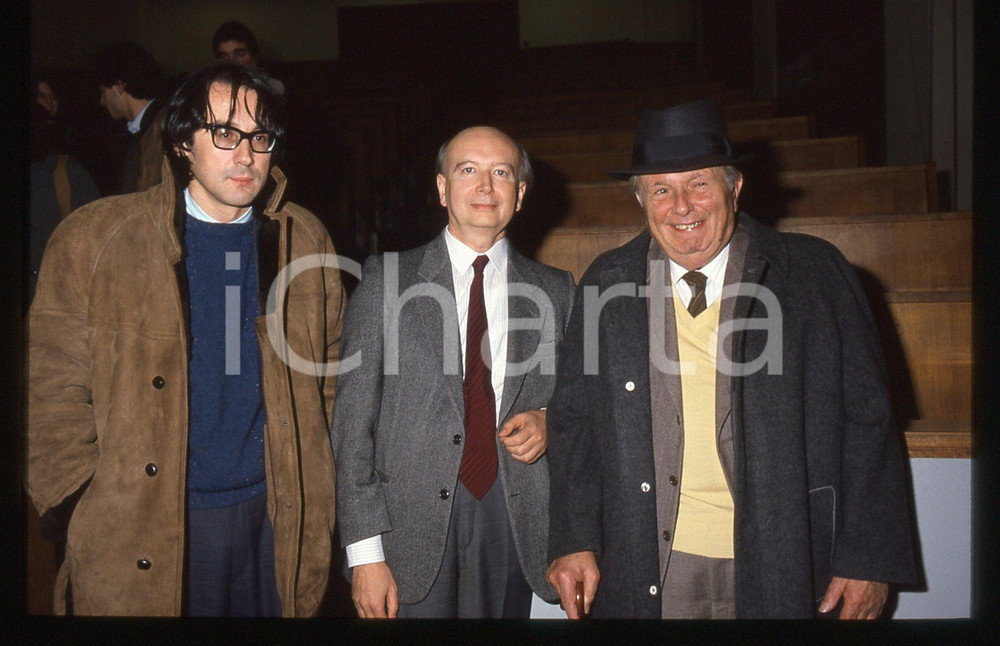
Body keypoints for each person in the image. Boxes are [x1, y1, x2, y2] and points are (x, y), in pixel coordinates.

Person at [545, 100, 917, 619]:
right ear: (640, 200)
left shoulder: (814, 273)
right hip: (651, 564)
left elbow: (869, 421)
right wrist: (574, 537)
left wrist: (868, 557)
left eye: (698, 183)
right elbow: (573, 424)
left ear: (734, 187)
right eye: (660, 189)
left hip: (785, 560)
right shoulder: (605, 283)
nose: (681, 206)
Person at [27, 62, 345, 617]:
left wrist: (317, 480)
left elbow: (331, 372)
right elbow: (47, 386)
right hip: (149, 525)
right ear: (181, 143)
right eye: (224, 133)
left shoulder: (305, 236)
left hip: (275, 519)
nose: (245, 155)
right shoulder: (95, 239)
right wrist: (77, 502)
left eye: (260, 137)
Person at [332, 126, 575, 618]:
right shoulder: (386, 279)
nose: (485, 186)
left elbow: (581, 402)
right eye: (468, 170)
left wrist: (552, 422)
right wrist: (364, 554)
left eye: (501, 173)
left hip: (516, 516)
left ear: (520, 194)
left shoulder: (557, 290)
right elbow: (352, 426)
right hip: (407, 528)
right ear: (442, 188)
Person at [89, 41, 165, 194]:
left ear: (119, 86)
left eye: (102, 91)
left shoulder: (163, 127)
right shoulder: (140, 130)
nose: (102, 101)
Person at [212, 21, 285, 95]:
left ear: (254, 58)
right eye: (224, 56)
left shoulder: (273, 88)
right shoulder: (211, 90)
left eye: (239, 55)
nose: (231, 61)